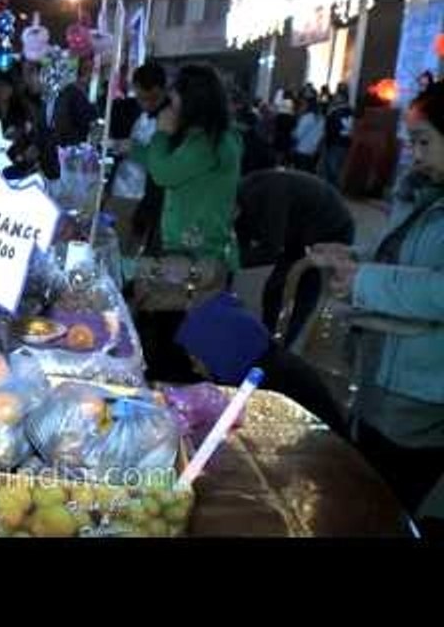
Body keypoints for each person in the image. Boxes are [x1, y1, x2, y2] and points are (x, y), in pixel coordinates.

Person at [309, 81, 444, 535]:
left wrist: (365, 279)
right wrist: (354, 259)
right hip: (380, 369)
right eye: (412, 143)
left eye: (424, 142)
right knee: (361, 486)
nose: (416, 155)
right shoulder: (424, 193)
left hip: (422, 388)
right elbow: (405, 260)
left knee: (384, 503)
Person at [127, 63, 242, 382]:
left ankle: (174, 407)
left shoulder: (208, 143)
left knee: (171, 341)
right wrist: (136, 148)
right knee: (168, 334)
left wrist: (162, 134)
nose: (170, 103)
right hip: (193, 254)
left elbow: (163, 172)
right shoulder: (214, 139)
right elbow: (163, 164)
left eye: (175, 96)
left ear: (192, 101)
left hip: (195, 260)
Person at [175, 291, 349, 436]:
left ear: (221, 352)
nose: (195, 368)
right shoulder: (269, 362)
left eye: (198, 359)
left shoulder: (270, 389)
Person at [236, 169, 355, 344]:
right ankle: (267, 341)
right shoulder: (241, 200)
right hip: (301, 228)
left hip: (331, 230)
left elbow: (270, 251)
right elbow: (239, 244)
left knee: (295, 293)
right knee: (275, 289)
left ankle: (277, 348)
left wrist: (229, 260)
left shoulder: (269, 196)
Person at [105, 63, 170, 255]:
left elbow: (163, 164)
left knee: (120, 252)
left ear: (158, 91)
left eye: (145, 96)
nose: (141, 101)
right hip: (122, 189)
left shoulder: (168, 118)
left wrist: (133, 149)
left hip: (139, 196)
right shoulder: (141, 112)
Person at [52, 57, 98, 146]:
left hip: (78, 142)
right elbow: (64, 123)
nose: (91, 74)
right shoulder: (71, 93)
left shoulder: (87, 91)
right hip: (73, 144)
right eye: (87, 69)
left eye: (91, 70)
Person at [321, 82, 353, 188]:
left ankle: (330, 193)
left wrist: (327, 142)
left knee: (331, 170)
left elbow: (331, 128)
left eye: (337, 96)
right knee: (336, 169)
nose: (335, 98)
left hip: (334, 143)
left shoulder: (335, 111)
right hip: (344, 143)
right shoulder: (350, 111)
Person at [291, 94, 324, 173]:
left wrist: (293, 133)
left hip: (301, 150)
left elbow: (297, 135)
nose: (302, 107)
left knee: (299, 174)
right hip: (313, 151)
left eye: (303, 104)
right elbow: (321, 136)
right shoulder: (322, 119)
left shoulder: (306, 118)